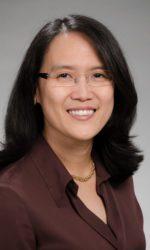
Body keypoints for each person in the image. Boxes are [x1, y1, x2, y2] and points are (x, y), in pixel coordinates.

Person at [0, 14, 146, 249]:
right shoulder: (9, 198)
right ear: (34, 90)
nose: (83, 93)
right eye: (64, 76)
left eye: (98, 75)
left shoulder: (117, 175)